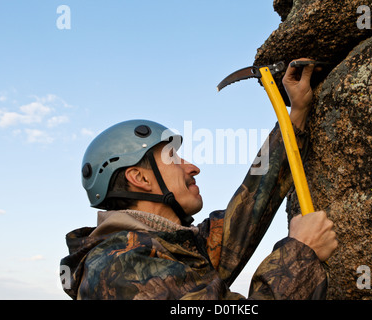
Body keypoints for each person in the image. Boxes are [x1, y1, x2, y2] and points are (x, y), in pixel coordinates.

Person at [60, 58, 338, 300]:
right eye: (173, 158)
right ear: (139, 178)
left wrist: (296, 115)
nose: (193, 167)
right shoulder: (119, 267)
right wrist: (301, 253)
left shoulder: (174, 248)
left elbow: (247, 211)